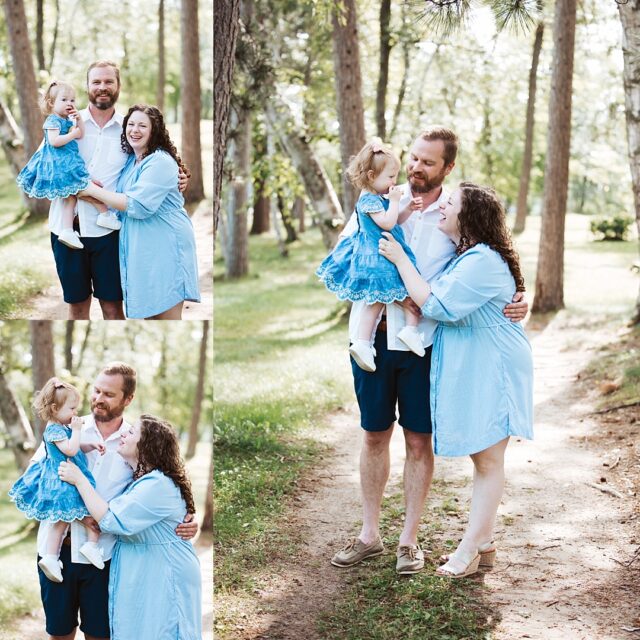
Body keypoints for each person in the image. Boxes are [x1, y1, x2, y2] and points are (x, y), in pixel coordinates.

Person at [330, 127, 528, 576]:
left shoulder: (456, 215)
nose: (417, 167)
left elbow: (490, 265)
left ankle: (409, 541)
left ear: (448, 168)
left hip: (425, 343)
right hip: (373, 338)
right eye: (414, 158)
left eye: (428, 162)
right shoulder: (381, 200)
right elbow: (346, 253)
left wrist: (517, 298)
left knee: (419, 440)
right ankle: (369, 535)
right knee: (373, 434)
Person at [379, 182, 534, 578]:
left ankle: (468, 552)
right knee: (482, 457)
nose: (443, 205)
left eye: (452, 203)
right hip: (477, 362)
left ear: (470, 217)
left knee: (488, 459)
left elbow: (437, 304)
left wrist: (400, 260)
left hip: (494, 365)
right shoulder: (470, 255)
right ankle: (484, 543)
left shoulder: (481, 258)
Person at [31, 363, 198, 640]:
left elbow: (166, 482)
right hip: (56, 550)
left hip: (104, 556)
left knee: (101, 635)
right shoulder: (66, 428)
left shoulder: (137, 441)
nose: (98, 398)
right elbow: (36, 479)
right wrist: (75, 514)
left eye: (108, 394)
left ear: (127, 398)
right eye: (96, 391)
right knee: (59, 634)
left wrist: (189, 517)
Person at [47, 61, 188, 320]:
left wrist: (180, 176)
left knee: (113, 308)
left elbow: (149, 163)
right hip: (66, 229)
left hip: (110, 232)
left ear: (118, 86)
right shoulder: (65, 123)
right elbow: (44, 165)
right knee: (77, 307)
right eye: (96, 82)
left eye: (108, 82)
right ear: (88, 86)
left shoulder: (129, 128)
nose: (103, 87)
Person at [59, 414, 202, 640]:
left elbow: (111, 520)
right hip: (143, 567)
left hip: (163, 570)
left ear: (147, 445)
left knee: (164, 631)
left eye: (132, 432)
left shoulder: (157, 484)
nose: (125, 434)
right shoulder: (141, 479)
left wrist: (79, 480)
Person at [78, 104, 200, 320]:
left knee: (166, 316)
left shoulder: (160, 161)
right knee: (149, 315)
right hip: (142, 248)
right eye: (131, 124)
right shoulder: (132, 161)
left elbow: (138, 205)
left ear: (154, 131)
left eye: (143, 125)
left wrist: (91, 190)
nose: (135, 130)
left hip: (166, 245)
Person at [316, 138, 424, 372]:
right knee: (375, 303)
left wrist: (406, 208)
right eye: (390, 177)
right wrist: (396, 201)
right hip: (378, 258)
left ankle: (410, 330)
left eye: (396, 176)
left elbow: (396, 222)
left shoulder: (379, 198)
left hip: (387, 252)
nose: (395, 182)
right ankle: (364, 342)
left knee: (402, 293)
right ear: (372, 175)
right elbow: (387, 223)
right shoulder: (368, 200)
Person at [8, 378, 106, 583]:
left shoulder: (62, 428)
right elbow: (70, 449)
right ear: (55, 408)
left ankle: (90, 545)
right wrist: (78, 430)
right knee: (60, 523)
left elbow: (77, 447)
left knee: (82, 513)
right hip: (62, 481)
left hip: (68, 478)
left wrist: (92, 445)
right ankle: (52, 557)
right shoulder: (53, 430)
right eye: (71, 408)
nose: (75, 413)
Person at [16, 80, 105, 250]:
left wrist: (78, 121)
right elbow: (54, 141)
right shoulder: (53, 121)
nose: (70, 103)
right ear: (51, 103)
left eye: (72, 100)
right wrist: (73, 134)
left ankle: (79, 225)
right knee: (72, 195)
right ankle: (71, 228)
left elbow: (81, 134)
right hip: (59, 165)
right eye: (64, 100)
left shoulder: (67, 119)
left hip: (68, 161)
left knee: (72, 196)